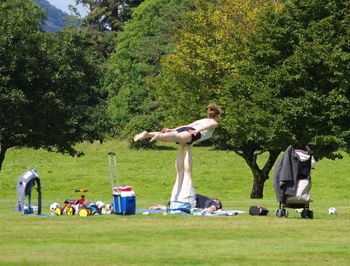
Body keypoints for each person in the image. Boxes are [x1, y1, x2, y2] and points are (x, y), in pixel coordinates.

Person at [134, 104, 221, 208]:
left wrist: (172, 129)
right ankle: (158, 136)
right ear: (217, 115)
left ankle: (148, 134)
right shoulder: (214, 122)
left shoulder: (202, 119)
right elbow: (206, 126)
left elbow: (188, 125)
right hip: (193, 133)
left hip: (186, 128)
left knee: (172, 137)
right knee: (176, 137)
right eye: (220, 116)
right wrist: (196, 131)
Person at [150, 194, 222, 212]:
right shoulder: (211, 201)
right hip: (192, 200)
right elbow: (212, 208)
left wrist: (206, 210)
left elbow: (213, 208)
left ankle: (161, 207)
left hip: (192, 202)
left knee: (180, 208)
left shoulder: (215, 203)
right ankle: (162, 207)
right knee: (180, 207)